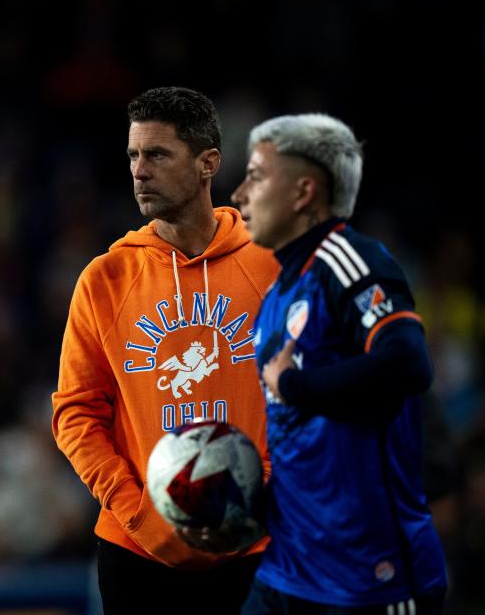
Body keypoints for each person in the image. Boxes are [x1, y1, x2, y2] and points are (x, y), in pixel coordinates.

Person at [51, 86, 279, 613]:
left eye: (157, 154)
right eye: (133, 155)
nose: (139, 170)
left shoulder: (273, 266)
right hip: (139, 552)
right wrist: (142, 518)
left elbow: (307, 400)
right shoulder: (105, 279)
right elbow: (75, 416)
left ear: (208, 164)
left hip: (260, 545)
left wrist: (259, 502)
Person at [229, 114, 448, 614]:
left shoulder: (350, 259)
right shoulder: (278, 293)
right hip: (289, 570)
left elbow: (408, 360)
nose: (239, 193)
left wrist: (294, 384)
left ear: (304, 192)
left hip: (370, 580)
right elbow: (298, 435)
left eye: (257, 175)